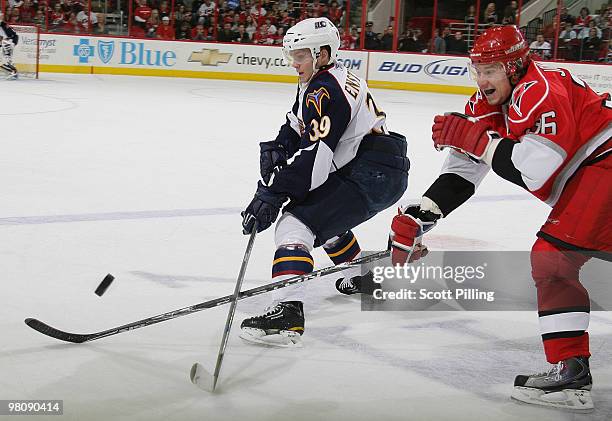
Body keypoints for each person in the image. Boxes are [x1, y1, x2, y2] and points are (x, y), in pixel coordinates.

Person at [389, 25, 611, 411]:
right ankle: (571, 370)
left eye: (490, 70)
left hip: (604, 165)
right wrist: (421, 216)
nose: (481, 79)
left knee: (554, 259)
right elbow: (463, 172)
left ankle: (571, 373)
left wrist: (479, 141)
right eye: (477, 69)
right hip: (593, 176)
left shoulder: (541, 91)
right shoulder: (486, 105)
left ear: (515, 66)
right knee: (554, 261)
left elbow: (537, 168)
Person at [239, 17, 409, 347]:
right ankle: (359, 276)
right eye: (292, 56)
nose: (294, 63)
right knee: (323, 212)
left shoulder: (324, 88)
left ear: (322, 53)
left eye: (300, 56)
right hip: (379, 168)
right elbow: (297, 123)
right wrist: (280, 145)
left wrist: (272, 194)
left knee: (295, 224)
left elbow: (316, 159)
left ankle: (287, 313)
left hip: (368, 173)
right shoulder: (328, 79)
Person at [0, 12, 19, 79]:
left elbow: (15, 35)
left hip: (7, 43)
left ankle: (13, 71)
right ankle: (12, 71)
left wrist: (13, 43)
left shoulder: (5, 26)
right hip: (4, 44)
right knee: (4, 61)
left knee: (6, 60)